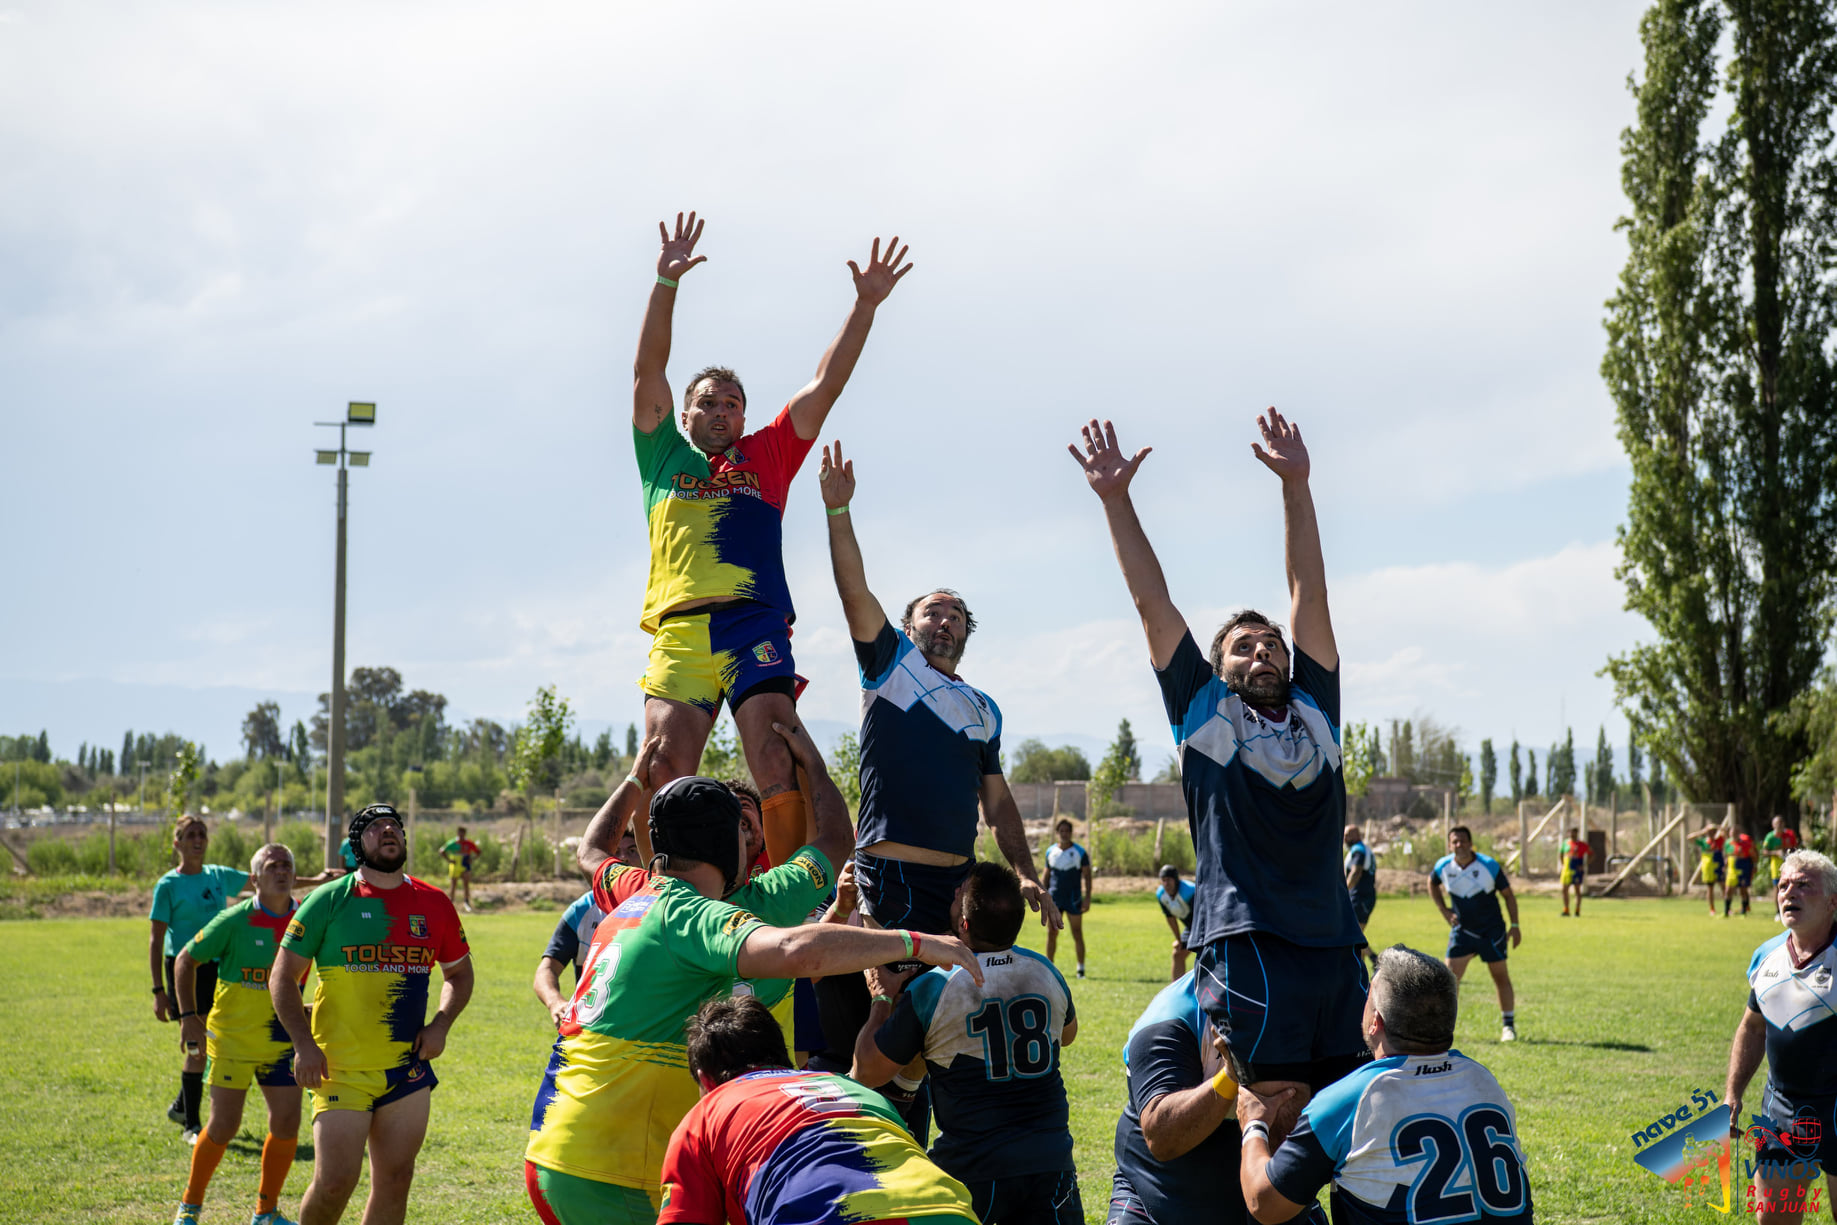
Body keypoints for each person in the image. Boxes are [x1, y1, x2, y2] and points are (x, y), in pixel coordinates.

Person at [524, 722, 984, 1225]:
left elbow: (591, 852)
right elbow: (794, 943)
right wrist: (919, 941)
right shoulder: (721, 909)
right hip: (619, 1166)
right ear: (728, 843)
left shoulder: (638, 890)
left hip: (560, 1141)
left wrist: (637, 779)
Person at [1072, 412, 1366, 1130]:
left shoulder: (1316, 710)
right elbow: (1151, 601)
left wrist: (1296, 486)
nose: (1262, 651)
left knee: (1352, 1124)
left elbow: (1309, 592)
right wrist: (1115, 500)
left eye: (1271, 644)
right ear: (1217, 666)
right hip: (1246, 941)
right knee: (1266, 1115)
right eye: (1242, 646)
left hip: (1332, 944)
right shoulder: (1203, 712)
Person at [631, 211, 913, 870]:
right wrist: (664, 284)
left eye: (732, 401)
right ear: (684, 414)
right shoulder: (662, 457)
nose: (721, 409)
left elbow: (826, 383)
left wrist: (864, 306)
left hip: (754, 622)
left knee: (773, 756)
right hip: (679, 632)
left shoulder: (769, 456)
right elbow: (647, 368)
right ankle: (664, 896)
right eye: (708, 401)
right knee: (663, 766)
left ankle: (794, 898)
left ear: (745, 415)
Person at [817, 441, 1060, 936]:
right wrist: (838, 510)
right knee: (893, 1002)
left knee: (952, 1008)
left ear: (967, 634)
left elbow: (996, 801)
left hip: (958, 885)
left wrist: (1026, 873)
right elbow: (854, 591)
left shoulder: (984, 710)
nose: (946, 620)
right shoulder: (891, 664)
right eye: (933, 612)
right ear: (908, 627)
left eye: (956, 616)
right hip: (891, 876)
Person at [271, 804, 474, 1225]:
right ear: (356, 844)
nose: (388, 831)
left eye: (394, 826)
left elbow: (459, 973)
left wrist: (441, 1024)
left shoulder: (433, 902)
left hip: (406, 1069)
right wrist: (303, 1045)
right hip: (338, 1067)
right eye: (375, 827)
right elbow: (283, 977)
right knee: (334, 1184)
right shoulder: (328, 900)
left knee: (397, 1179)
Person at [1236, 945, 1532, 1224]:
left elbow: (1266, 1205)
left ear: (1375, 1021)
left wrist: (1254, 1123)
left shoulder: (1352, 1097)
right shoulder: (1484, 1081)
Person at [854, 863, 1082, 1225]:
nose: (954, 893)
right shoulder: (1045, 971)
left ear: (964, 925)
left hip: (974, 1168)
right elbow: (1066, 1037)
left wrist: (881, 999)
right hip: (1052, 1164)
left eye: (959, 894)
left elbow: (866, 1071)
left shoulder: (935, 984)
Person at [657, 995, 979, 1225]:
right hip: (947, 1208)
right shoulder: (853, 1090)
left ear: (705, 1079)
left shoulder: (707, 1113)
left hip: (824, 1214)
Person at [172, 843, 313, 1225]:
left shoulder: (308, 921)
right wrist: (188, 1016)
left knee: (286, 1125)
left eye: (287, 865)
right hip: (232, 1040)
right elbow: (186, 960)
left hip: (283, 1042)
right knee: (223, 1125)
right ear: (254, 879)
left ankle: (265, 1213)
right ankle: (190, 1205)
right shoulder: (234, 920)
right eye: (272, 865)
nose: (282, 870)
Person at [1726, 850, 1837, 1223]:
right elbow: (1752, 1027)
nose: (1790, 892)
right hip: (1782, 1110)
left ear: (1833, 901)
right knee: (1773, 1219)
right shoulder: (1766, 956)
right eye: (1783, 885)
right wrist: (1733, 1095)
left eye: (1804, 885)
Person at [1107, 970, 1251, 1225]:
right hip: (1156, 1196)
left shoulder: (1304, 998)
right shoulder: (1171, 1016)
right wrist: (1231, 1074)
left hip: (1254, 1198)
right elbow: (1162, 1136)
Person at [152, 815, 252, 1139]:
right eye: (191, 834)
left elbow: (265, 878)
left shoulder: (219, 876)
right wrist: (158, 991)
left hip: (219, 968)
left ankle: (183, 1105)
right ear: (177, 843)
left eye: (203, 834)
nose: (198, 839)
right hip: (184, 968)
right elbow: (156, 939)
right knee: (195, 1043)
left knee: (213, 1041)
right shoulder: (168, 885)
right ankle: (192, 1125)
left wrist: (315, 879)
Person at [1429, 827, 1522, 1043]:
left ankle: (1508, 1027)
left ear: (1471, 844)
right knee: (1449, 980)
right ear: (1449, 845)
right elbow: (1431, 883)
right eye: (1454, 842)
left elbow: (1508, 895)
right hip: (1462, 931)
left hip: (1491, 931)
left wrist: (1515, 925)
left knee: (1500, 976)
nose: (1459, 845)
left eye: (1462, 841)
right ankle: (1443, 1030)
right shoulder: (1443, 866)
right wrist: (1444, 910)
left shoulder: (1488, 865)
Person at [1044, 819, 1093, 977]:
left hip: (1073, 899)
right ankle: (1049, 968)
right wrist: (1043, 895)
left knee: (1077, 933)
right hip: (1054, 899)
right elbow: (1046, 875)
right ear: (1057, 833)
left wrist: (1087, 898)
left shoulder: (1080, 852)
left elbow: (1087, 876)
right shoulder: (1050, 852)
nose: (1064, 834)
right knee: (1052, 933)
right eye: (1061, 831)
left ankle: (1081, 969)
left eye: (1067, 831)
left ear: (1071, 833)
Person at [1342, 826, 1377, 972]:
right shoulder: (1361, 849)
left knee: (1352, 933)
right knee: (1354, 934)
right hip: (1362, 897)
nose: (1344, 839)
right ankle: (1360, 972)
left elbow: (1356, 871)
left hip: (1360, 897)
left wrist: (1344, 889)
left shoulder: (1358, 850)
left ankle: (1374, 958)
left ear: (1355, 836)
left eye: (1347, 835)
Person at [1154, 866, 1198, 983]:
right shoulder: (1161, 895)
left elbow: (1203, 915)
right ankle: (1177, 993)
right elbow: (1170, 918)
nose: (1166, 883)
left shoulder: (1190, 892)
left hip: (1205, 924)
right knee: (1177, 954)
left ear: (1176, 880)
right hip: (1191, 927)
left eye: (1169, 880)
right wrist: (1179, 940)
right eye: (1163, 880)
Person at [1763, 817, 1800, 918]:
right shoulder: (1770, 837)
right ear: (1773, 825)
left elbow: (1796, 847)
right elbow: (1764, 851)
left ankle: (1791, 909)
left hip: (1790, 863)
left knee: (1791, 885)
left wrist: (1791, 852)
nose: (1779, 825)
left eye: (1781, 823)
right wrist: (1775, 852)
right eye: (1777, 823)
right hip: (1776, 865)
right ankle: (1778, 912)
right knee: (1778, 887)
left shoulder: (1789, 834)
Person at [440, 826, 481, 913]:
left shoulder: (469, 843)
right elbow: (442, 851)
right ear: (457, 833)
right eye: (460, 832)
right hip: (455, 865)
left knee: (466, 883)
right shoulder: (453, 843)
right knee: (453, 884)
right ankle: (451, 903)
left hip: (465, 864)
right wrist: (449, 860)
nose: (461, 835)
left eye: (463, 833)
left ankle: (466, 902)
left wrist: (472, 859)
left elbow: (478, 852)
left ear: (465, 833)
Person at [1692, 823, 1728, 914]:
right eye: (1710, 831)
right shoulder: (1704, 841)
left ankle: (1727, 908)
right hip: (1708, 867)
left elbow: (1727, 833)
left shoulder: (1719, 840)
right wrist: (1702, 831)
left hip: (1718, 866)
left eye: (1713, 831)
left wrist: (1718, 827)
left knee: (1723, 886)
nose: (1711, 833)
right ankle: (1712, 908)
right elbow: (1689, 838)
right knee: (1710, 888)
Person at [1726, 830, 1757, 918]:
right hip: (1732, 869)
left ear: (1738, 834)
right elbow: (1728, 855)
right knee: (1728, 889)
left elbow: (1753, 855)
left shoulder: (1745, 843)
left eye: (1735, 834)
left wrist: (1754, 866)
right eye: (1731, 834)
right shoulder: (1728, 843)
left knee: (1743, 889)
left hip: (1743, 867)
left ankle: (1744, 911)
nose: (1733, 835)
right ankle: (1726, 911)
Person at [1559, 826, 1588, 917]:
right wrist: (1563, 864)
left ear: (1576, 833)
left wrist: (1583, 865)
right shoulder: (1565, 843)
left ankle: (1577, 910)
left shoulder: (1581, 844)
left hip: (1576, 869)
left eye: (1573, 832)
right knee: (1564, 889)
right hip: (1567, 869)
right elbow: (1560, 854)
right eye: (1570, 832)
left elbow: (1591, 854)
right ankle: (1566, 909)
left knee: (1577, 890)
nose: (1571, 834)